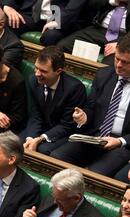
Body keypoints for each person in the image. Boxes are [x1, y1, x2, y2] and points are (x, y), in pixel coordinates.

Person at [51, 34, 130, 178]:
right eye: (117, 59)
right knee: (57, 157)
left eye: (125, 62)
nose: (118, 65)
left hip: (122, 144)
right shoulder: (104, 75)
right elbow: (91, 107)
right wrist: (84, 116)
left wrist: (120, 141)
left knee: (94, 175)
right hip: (95, 136)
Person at [21, 46, 87, 155]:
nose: (37, 73)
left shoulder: (74, 88)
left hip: (64, 134)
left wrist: (40, 139)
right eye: (36, 68)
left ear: (58, 71)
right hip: (41, 127)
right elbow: (35, 115)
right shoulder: (33, 80)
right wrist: (31, 138)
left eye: (43, 71)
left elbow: (67, 125)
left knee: (42, 150)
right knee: (17, 143)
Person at [58, 0, 130, 66]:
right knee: (63, 46)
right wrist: (113, 1)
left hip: (124, 36)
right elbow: (92, 3)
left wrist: (120, 44)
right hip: (99, 30)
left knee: (108, 65)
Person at [2, 0, 87, 46]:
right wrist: (8, 5)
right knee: (6, 21)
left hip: (58, 16)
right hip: (33, 14)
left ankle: (43, 70)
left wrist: (58, 21)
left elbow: (74, 8)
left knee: (51, 36)